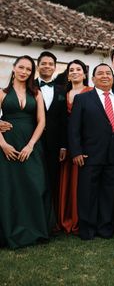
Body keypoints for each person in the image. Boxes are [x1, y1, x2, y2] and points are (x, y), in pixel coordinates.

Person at [68, 63, 114, 241]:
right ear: (93, 79)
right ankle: (87, 230)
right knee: (87, 194)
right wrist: (76, 151)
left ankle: (105, 228)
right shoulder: (83, 99)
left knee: (109, 194)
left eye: (108, 73)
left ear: (113, 77)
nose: (104, 76)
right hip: (89, 155)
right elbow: (73, 128)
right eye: (100, 73)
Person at [0, 56, 52, 248]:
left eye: (28, 69)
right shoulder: (2, 93)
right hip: (7, 147)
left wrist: (31, 145)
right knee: (10, 188)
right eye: (21, 67)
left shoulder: (36, 93)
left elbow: (42, 122)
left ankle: (36, 230)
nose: (24, 71)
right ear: (14, 68)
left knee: (35, 185)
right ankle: (9, 230)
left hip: (31, 146)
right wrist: (3, 144)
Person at [58, 59, 92, 234]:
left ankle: (81, 218)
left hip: (86, 143)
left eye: (79, 69)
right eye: (71, 70)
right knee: (68, 181)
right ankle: (67, 218)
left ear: (85, 74)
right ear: (68, 74)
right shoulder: (64, 93)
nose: (75, 72)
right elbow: (62, 122)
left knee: (82, 181)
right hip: (68, 143)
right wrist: (64, 145)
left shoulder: (91, 92)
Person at [36, 51, 68, 219]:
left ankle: (50, 219)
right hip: (31, 141)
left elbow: (64, 121)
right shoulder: (29, 87)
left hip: (55, 145)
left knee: (52, 180)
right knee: (34, 180)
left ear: (55, 67)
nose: (47, 66)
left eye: (50, 64)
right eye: (44, 63)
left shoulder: (62, 90)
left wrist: (63, 145)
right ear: (38, 65)